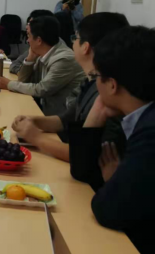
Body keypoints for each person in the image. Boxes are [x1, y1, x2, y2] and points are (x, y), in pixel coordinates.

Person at [72, 26, 155, 254]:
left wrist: (113, 182)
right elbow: (84, 173)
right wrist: (98, 112)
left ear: (112, 85)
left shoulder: (150, 134)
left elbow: (108, 209)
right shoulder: (137, 117)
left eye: (97, 76)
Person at [11, 13, 130, 162]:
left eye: (76, 37)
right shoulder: (92, 81)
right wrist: (33, 121)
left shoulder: (108, 93)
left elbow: (85, 154)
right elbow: (66, 120)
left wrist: (36, 138)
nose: (72, 43)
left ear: (85, 47)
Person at [0, 16, 84, 116]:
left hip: (61, 118)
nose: (27, 40)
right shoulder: (43, 51)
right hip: (45, 109)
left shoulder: (64, 59)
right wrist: (30, 59)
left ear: (39, 40)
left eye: (29, 36)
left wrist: (8, 84)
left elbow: (42, 89)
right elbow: (23, 81)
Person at [10, 10, 54, 74]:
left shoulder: (60, 57)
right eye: (28, 23)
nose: (27, 27)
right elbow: (14, 64)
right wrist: (23, 72)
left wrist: (26, 74)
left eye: (30, 24)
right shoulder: (35, 45)